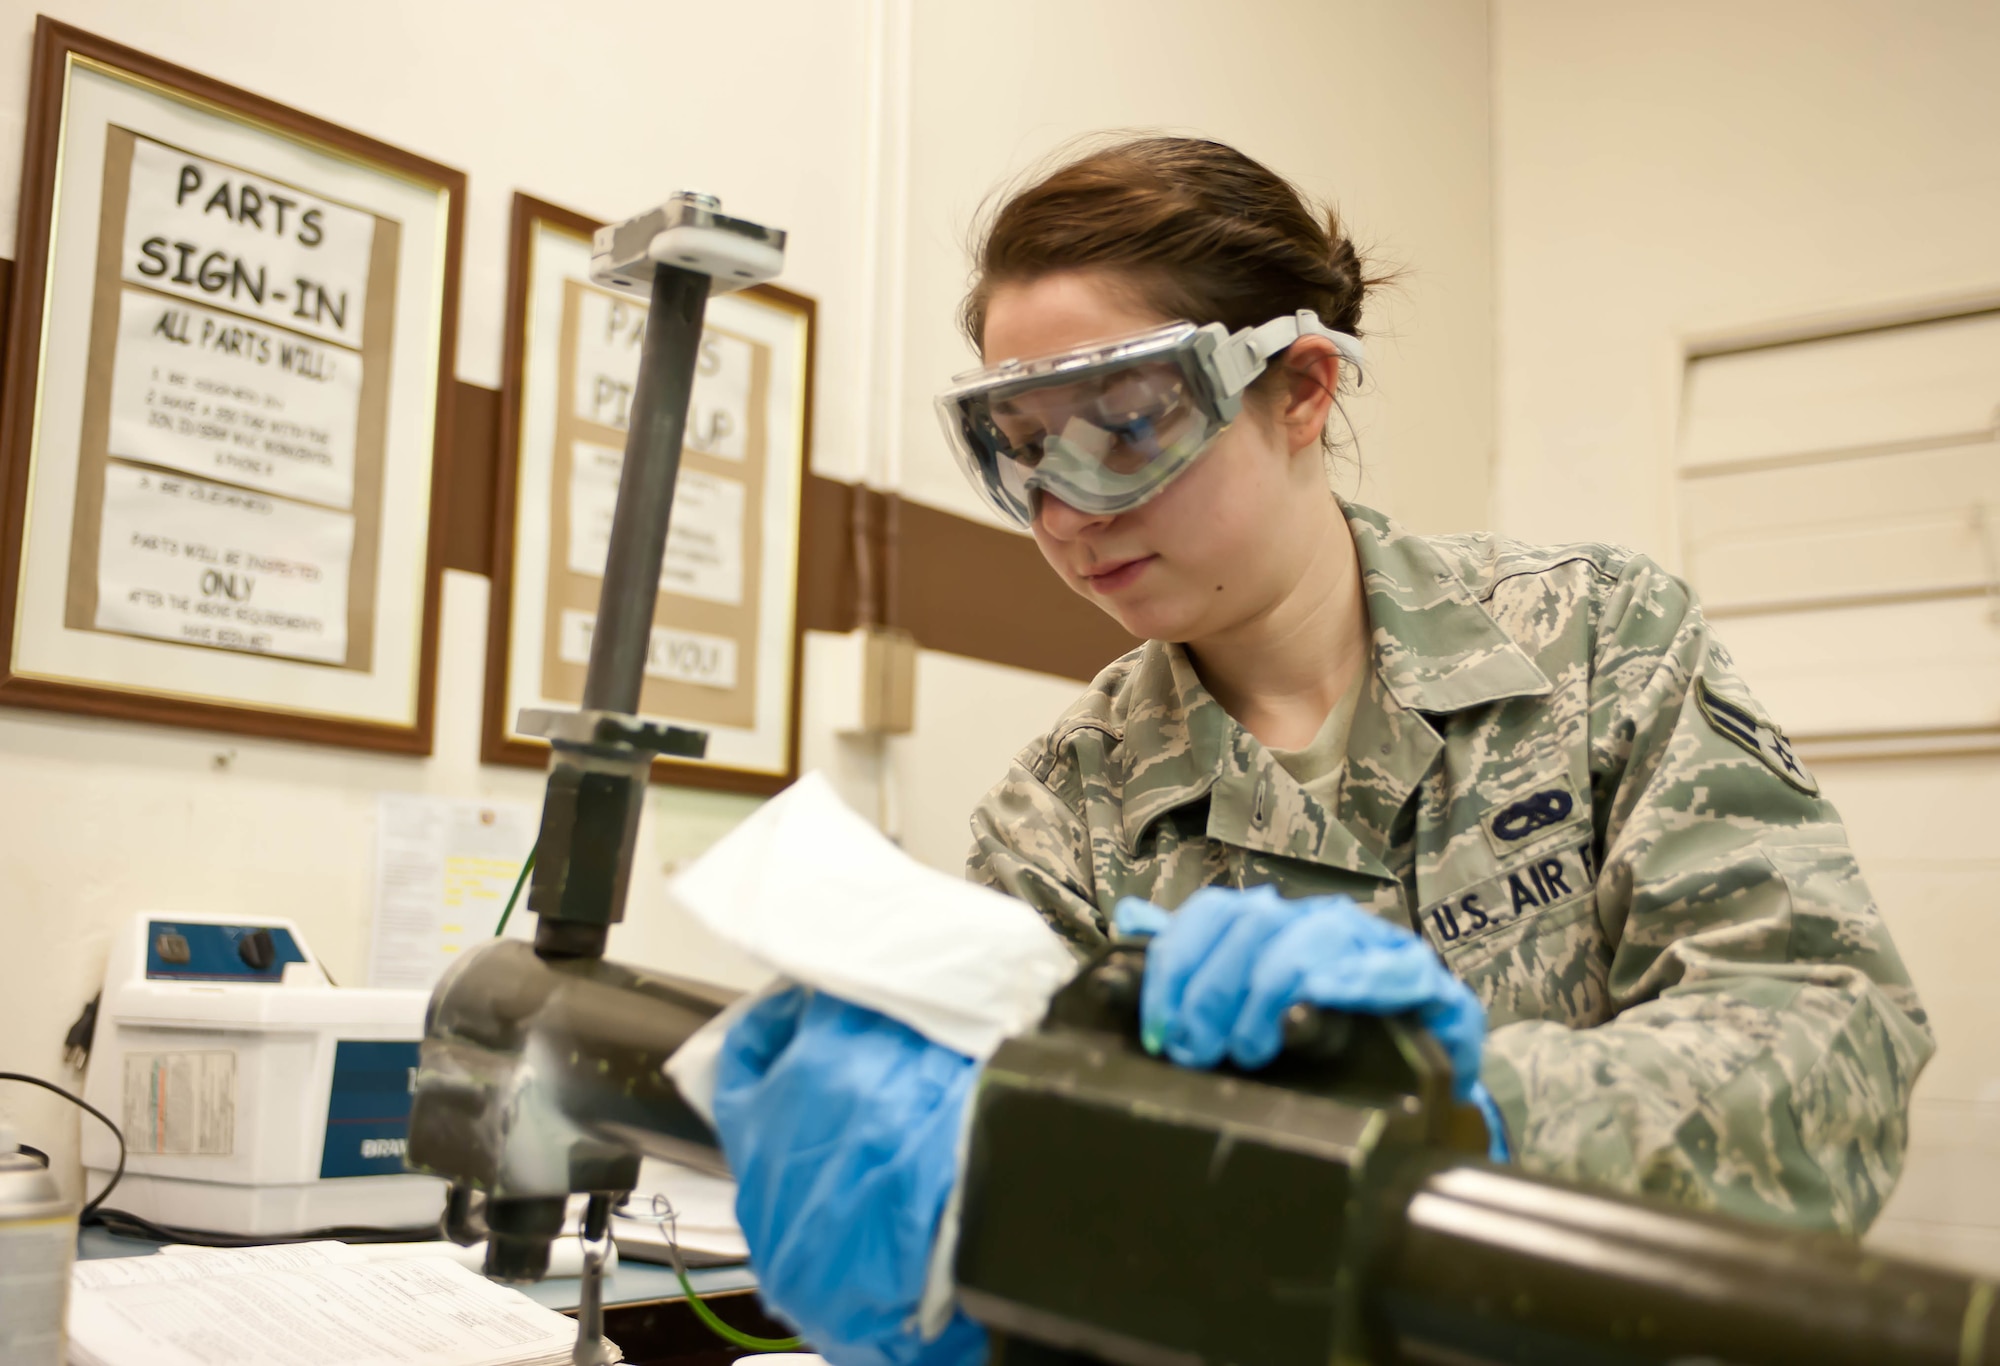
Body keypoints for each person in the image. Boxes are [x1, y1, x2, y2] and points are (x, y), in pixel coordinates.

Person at [710, 136, 1933, 1366]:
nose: (1066, 514)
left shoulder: (1595, 643)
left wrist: (1457, 1123)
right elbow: (1064, 1202)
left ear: (1299, 388)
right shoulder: (1061, 813)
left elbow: (1830, 1041)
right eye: (1020, 448)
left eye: (1122, 427)